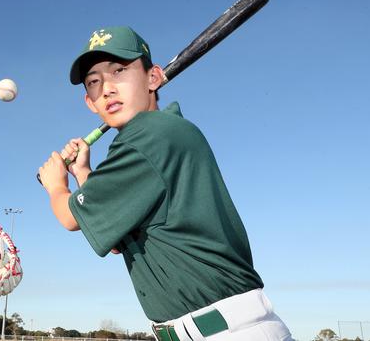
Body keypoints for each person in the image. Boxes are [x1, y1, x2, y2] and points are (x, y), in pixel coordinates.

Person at [38, 26, 293, 341]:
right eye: (94, 81)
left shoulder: (147, 136)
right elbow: (117, 240)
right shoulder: (161, 136)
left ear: (153, 78)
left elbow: (69, 216)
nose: (106, 88)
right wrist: (83, 172)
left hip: (225, 331)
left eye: (119, 71)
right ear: (90, 102)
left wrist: (56, 185)